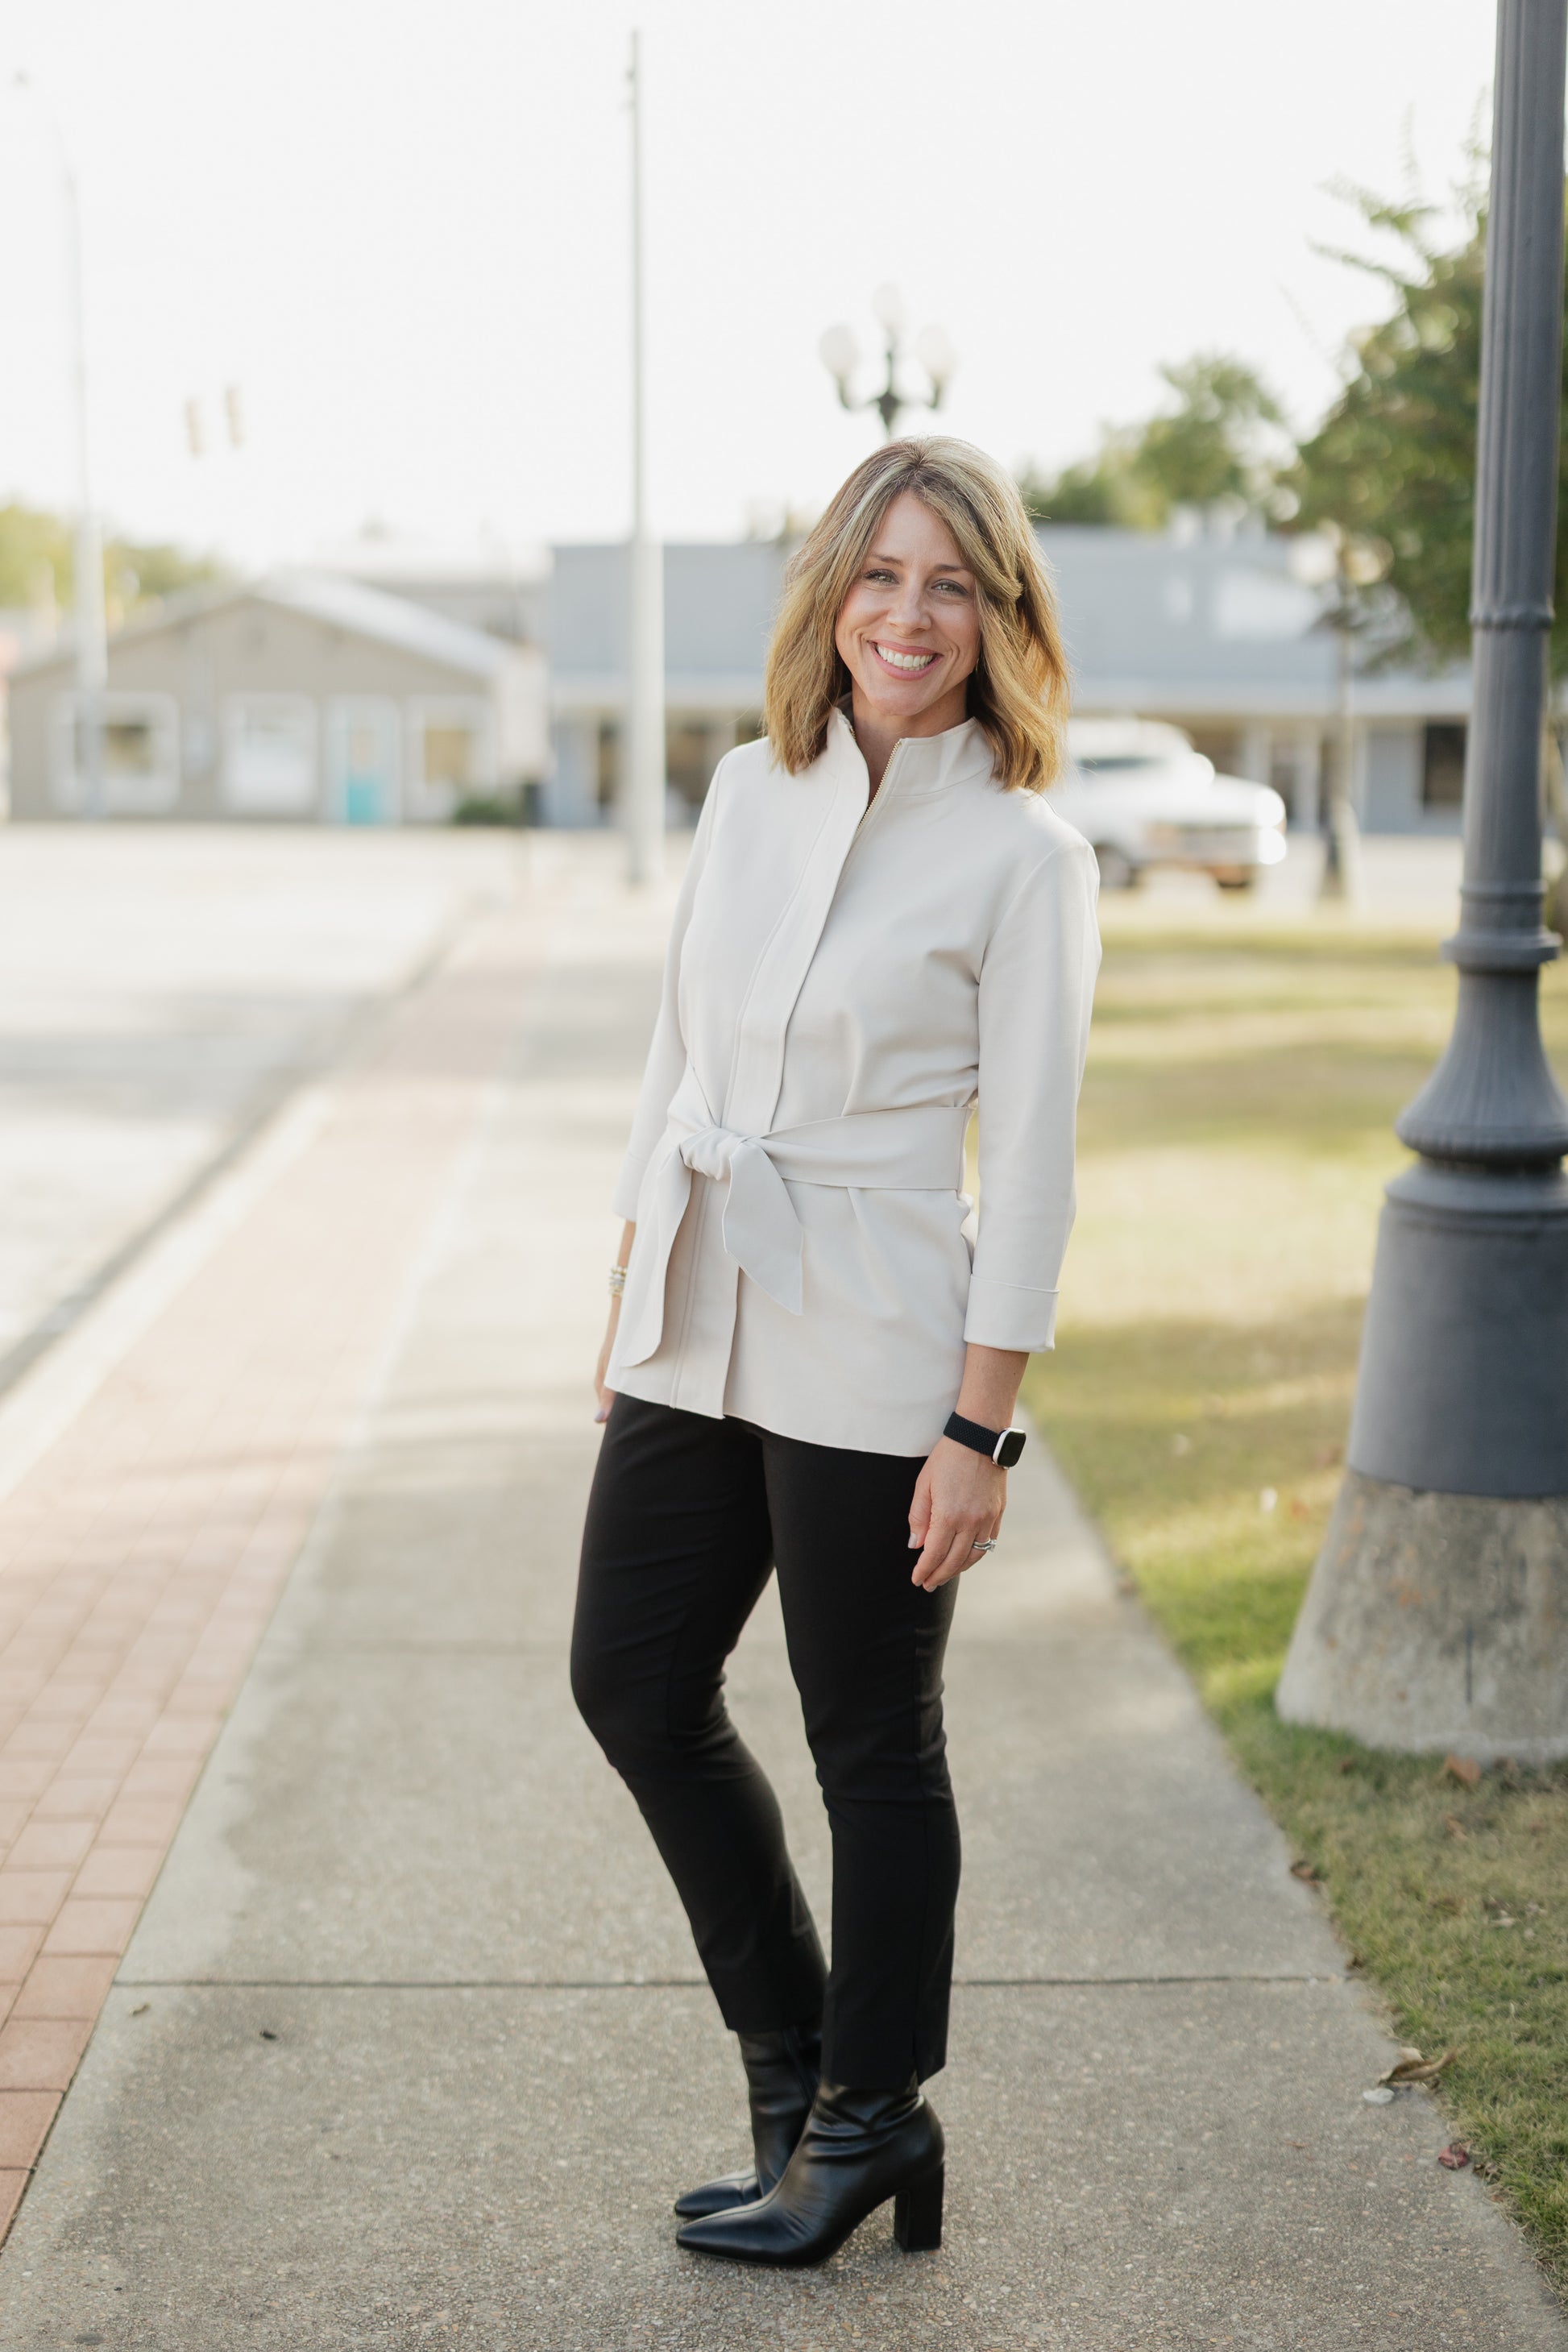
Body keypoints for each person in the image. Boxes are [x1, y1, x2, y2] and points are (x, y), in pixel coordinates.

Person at [570, 436, 1100, 2268]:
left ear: (997, 615)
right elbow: (674, 1052)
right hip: (705, 1297)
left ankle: (868, 2112)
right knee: (631, 1679)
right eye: (880, 575)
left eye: (951, 583)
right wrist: (635, 1278)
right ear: (831, 592)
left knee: (872, 1736)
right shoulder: (748, 786)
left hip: (879, 1324)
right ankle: (799, 2081)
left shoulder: (1025, 851)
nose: (909, 614)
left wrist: (983, 1426)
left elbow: (1028, 1158)